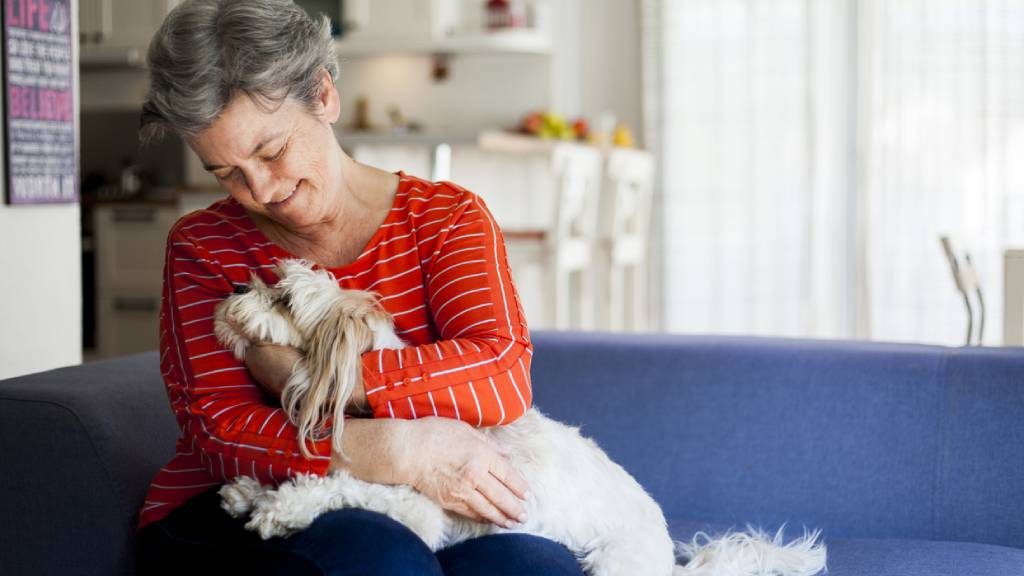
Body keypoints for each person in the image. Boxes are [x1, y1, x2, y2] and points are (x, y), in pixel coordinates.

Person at [134, 1, 583, 575]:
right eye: (226, 173)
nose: (262, 190)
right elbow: (223, 432)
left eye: (271, 151)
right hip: (237, 503)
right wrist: (400, 450)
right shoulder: (203, 245)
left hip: (427, 503)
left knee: (532, 566)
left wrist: (309, 376)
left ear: (324, 95)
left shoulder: (446, 219)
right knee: (377, 554)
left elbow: (498, 378)